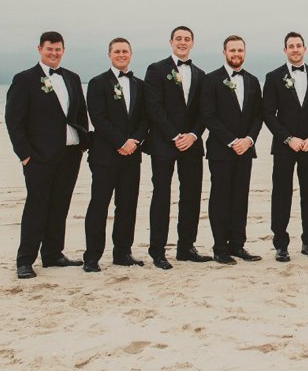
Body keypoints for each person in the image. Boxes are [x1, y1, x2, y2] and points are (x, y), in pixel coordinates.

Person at [5, 31, 89, 279]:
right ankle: (25, 260)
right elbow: (14, 120)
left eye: (58, 49)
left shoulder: (72, 78)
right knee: (36, 206)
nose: (54, 53)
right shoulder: (24, 79)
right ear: (40, 49)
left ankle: (53, 253)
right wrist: (25, 154)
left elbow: (80, 114)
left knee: (60, 205)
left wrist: (82, 144)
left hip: (70, 154)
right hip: (39, 157)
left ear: (63, 50)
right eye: (49, 49)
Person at [143, 26, 212, 270]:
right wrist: (174, 135)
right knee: (162, 195)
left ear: (192, 43)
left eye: (187, 39)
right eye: (179, 39)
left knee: (191, 195)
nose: (183, 43)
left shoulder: (200, 74)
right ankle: (158, 250)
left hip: (192, 145)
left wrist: (193, 135)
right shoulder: (156, 69)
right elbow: (153, 107)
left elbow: (205, 111)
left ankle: (186, 247)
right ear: (171, 41)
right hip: (163, 143)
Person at [263, 31, 308, 262]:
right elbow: (268, 114)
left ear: (304, 49)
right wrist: (288, 138)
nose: (295, 49)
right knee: (281, 194)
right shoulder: (273, 77)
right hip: (285, 147)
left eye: (298, 45)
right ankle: (280, 245)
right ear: (285, 50)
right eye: (291, 46)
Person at [83, 38, 149, 272]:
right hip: (105, 156)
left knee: (127, 205)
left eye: (125, 51)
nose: (121, 55)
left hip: (132, 155)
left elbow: (145, 118)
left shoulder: (140, 85)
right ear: (109, 54)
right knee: (99, 205)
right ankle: (91, 257)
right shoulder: (97, 83)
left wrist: (135, 141)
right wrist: (120, 142)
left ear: (131, 54)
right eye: (117, 51)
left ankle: (123, 252)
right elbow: (98, 117)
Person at [200, 35, 263, 265]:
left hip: (245, 150)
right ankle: (220, 247)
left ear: (244, 53)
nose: (236, 54)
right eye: (232, 50)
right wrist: (231, 140)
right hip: (221, 150)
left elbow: (259, 115)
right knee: (220, 198)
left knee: (240, 198)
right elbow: (208, 115)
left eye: (240, 50)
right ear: (224, 52)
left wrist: (248, 139)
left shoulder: (253, 81)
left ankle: (238, 245)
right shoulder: (211, 80)